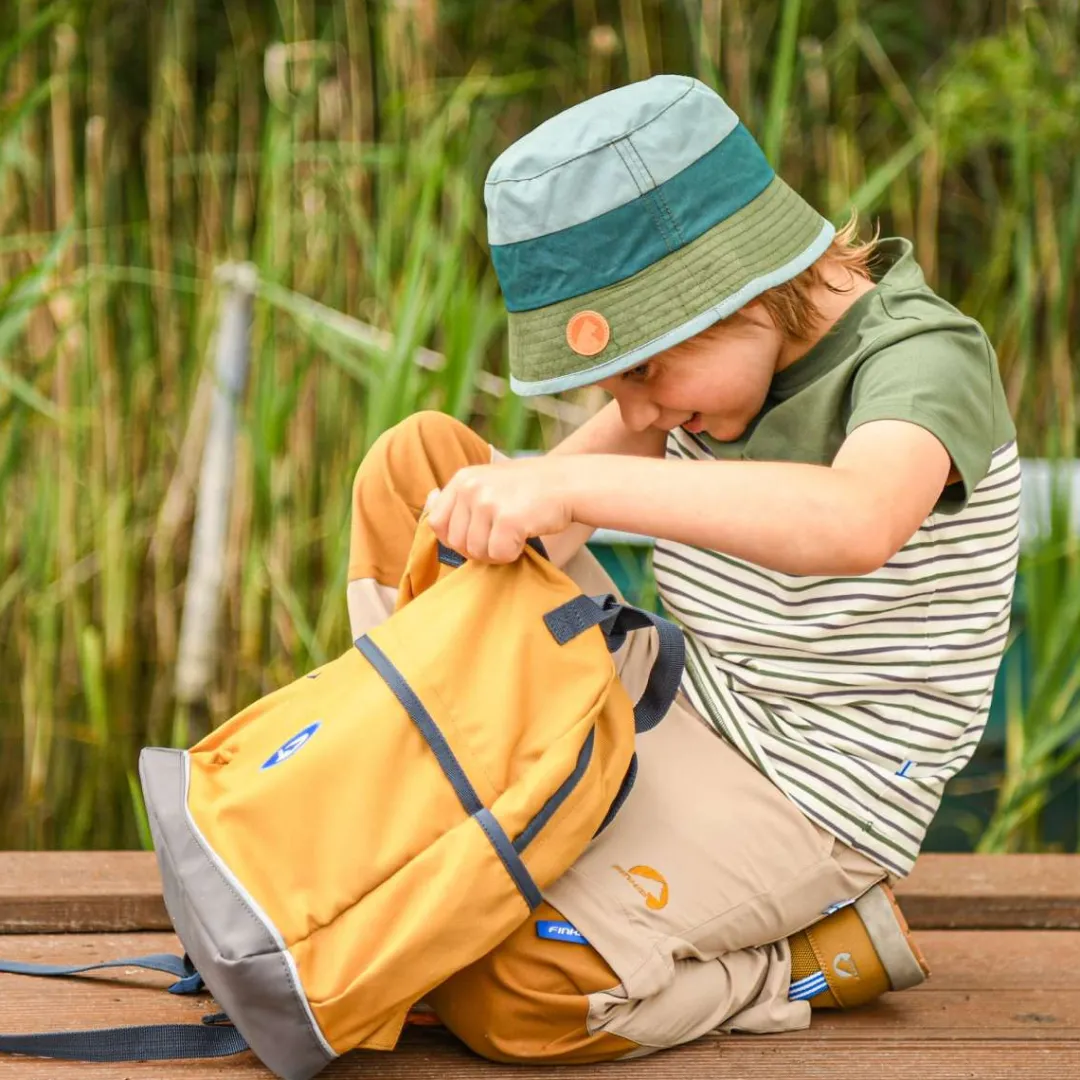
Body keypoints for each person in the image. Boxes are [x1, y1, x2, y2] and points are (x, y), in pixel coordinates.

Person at [346, 75, 1020, 1062]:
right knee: (422, 471)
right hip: (675, 693)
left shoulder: (924, 357)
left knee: (511, 987)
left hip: (803, 791)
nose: (635, 410)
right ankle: (415, 794)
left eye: (643, 370)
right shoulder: (708, 372)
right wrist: (507, 520)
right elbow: (536, 528)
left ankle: (802, 960)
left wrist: (570, 489)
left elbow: (857, 520)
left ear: (739, 288)